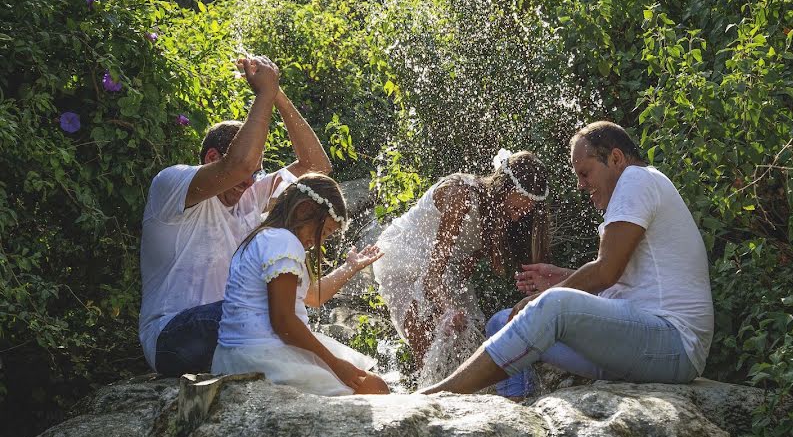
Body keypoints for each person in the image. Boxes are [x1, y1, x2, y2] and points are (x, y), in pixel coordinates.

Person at [419, 121, 714, 395]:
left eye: (584, 173)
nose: (580, 185)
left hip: (674, 344)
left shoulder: (636, 179)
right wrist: (563, 276)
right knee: (502, 322)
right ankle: (512, 411)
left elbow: (605, 272)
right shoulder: (636, 187)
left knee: (552, 305)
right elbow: (623, 278)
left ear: (615, 159)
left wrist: (548, 296)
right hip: (634, 347)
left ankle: (438, 395)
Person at [140, 55, 333, 377]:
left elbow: (317, 169)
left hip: (232, 336)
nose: (249, 181)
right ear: (212, 157)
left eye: (257, 173)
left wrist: (277, 93)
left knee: (284, 316)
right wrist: (262, 95)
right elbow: (239, 166)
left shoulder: (250, 195)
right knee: (268, 310)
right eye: (248, 173)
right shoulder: (171, 185)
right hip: (172, 339)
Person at [373, 150, 551, 385]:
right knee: (427, 345)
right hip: (405, 260)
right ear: (503, 188)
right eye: (517, 209)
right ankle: (425, 402)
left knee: (468, 337)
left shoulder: (499, 215)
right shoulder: (461, 195)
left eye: (524, 212)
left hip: (445, 270)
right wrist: (446, 309)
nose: (518, 218)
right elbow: (432, 277)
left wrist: (453, 305)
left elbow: (462, 269)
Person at [212, 173, 389, 395]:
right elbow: (284, 322)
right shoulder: (284, 242)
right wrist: (335, 364)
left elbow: (312, 296)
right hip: (262, 357)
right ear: (304, 210)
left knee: (372, 384)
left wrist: (350, 267)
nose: (318, 243)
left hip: (234, 356)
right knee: (376, 388)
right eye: (323, 233)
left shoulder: (266, 237)